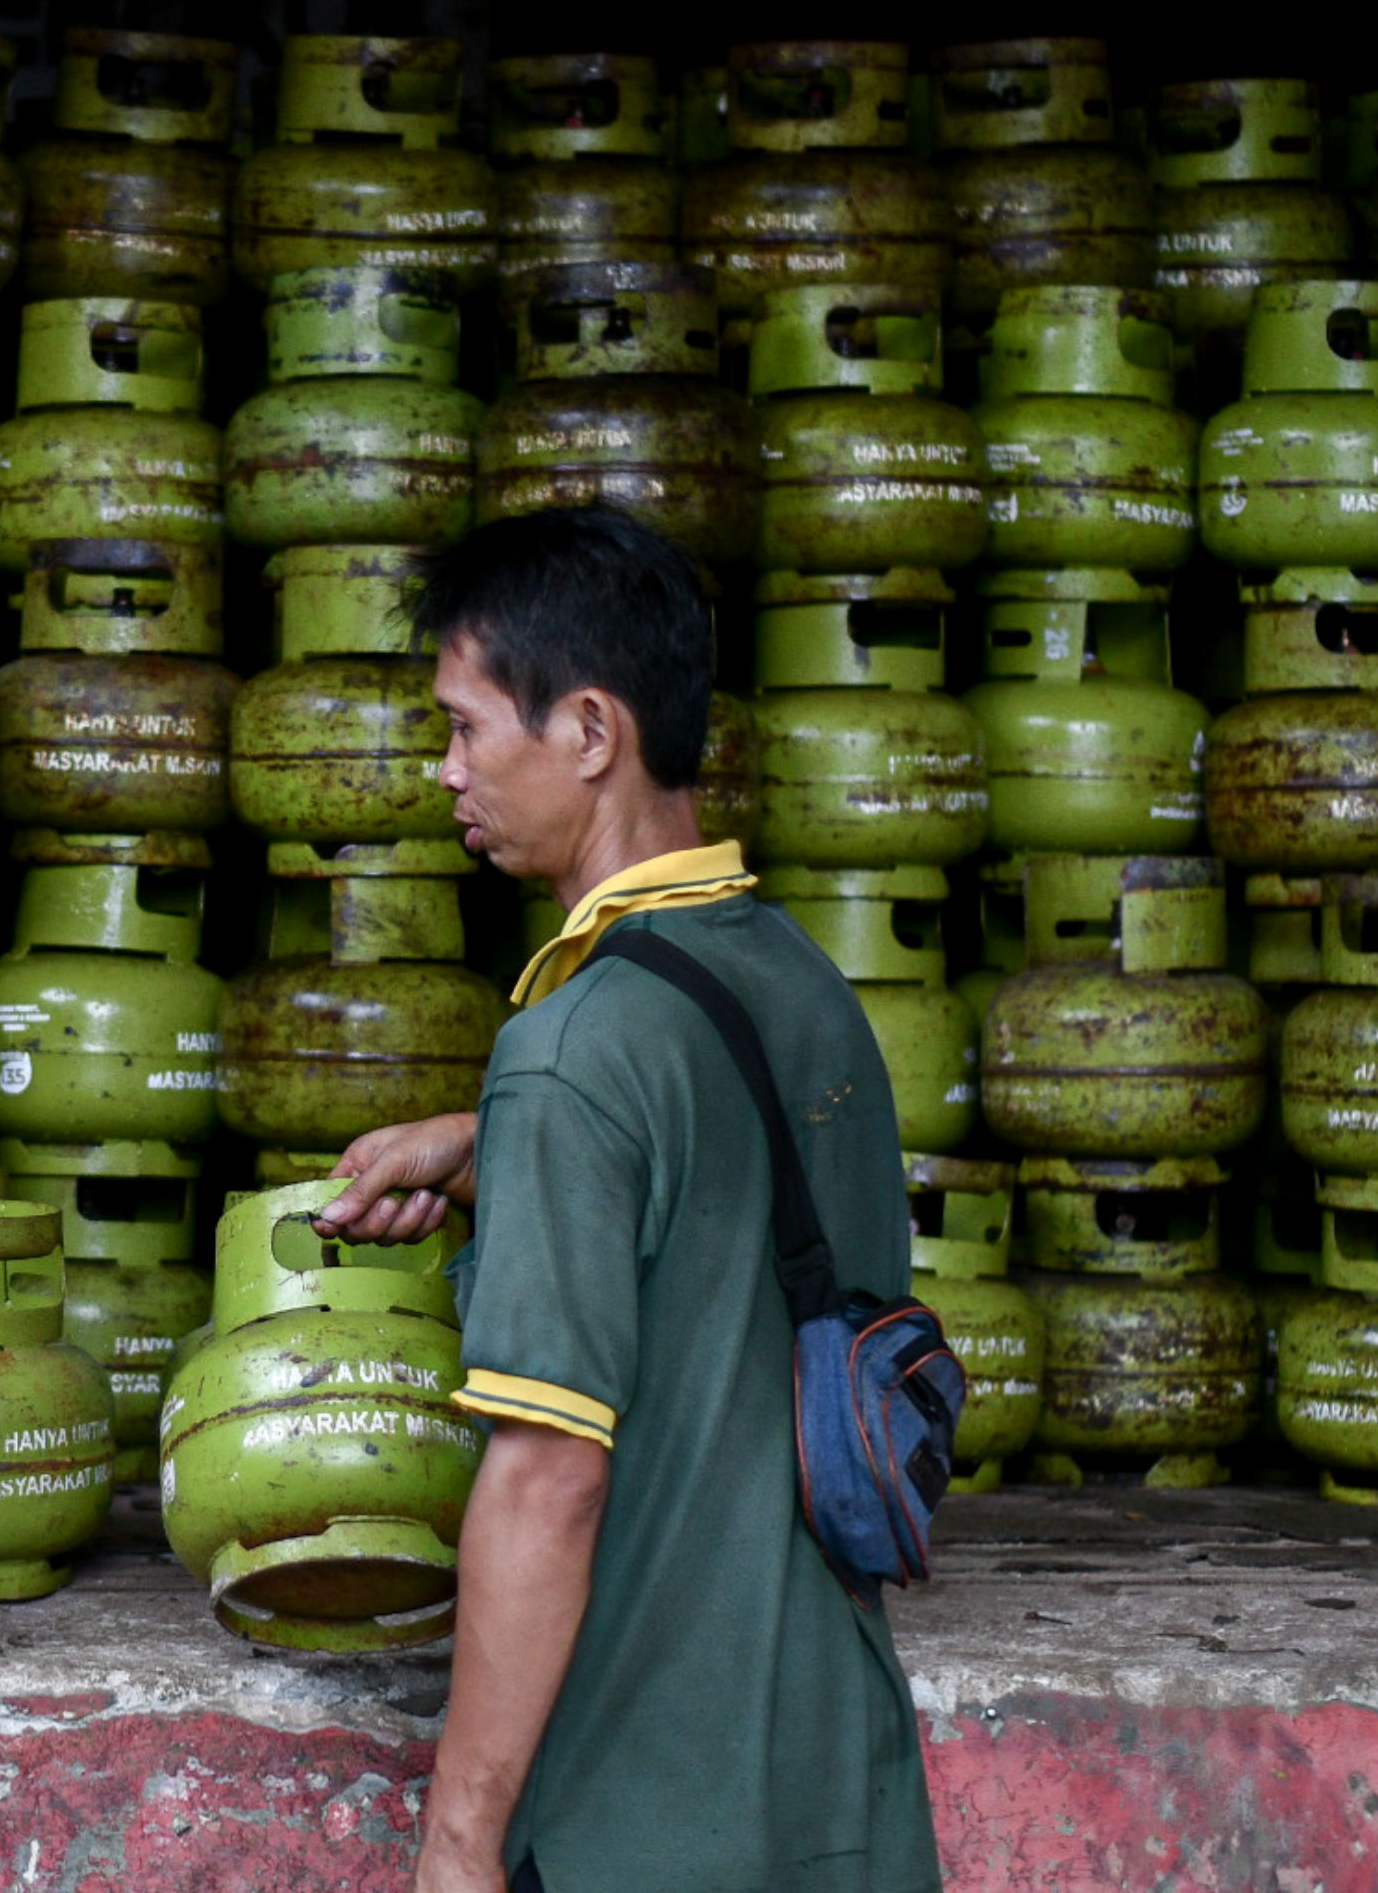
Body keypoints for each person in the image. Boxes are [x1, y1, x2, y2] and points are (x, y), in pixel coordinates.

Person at [312, 507, 943, 1893]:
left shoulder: (575, 1052)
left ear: (591, 730)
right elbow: (733, 1209)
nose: (445, 770)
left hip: (644, 1815)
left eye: (468, 726)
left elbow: (548, 1483)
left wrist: (459, 1846)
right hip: (838, 1779)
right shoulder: (795, 981)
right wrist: (489, 1155)